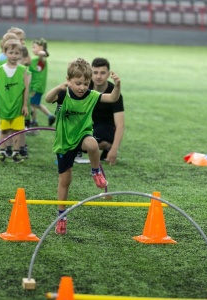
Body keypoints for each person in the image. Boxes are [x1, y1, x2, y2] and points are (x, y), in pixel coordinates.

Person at [45, 58, 121, 234]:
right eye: (78, 83)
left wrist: (117, 85)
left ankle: (96, 172)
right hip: (65, 141)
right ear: (68, 80)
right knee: (65, 180)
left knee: (92, 144)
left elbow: (112, 98)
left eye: (86, 84)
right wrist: (58, 88)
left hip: (82, 135)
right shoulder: (64, 94)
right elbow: (48, 98)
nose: (82, 87)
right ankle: (61, 216)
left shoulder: (91, 95)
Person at [0, 39, 30, 163]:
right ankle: (2, 152)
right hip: (3, 106)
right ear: (5, 52)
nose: (14, 56)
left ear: (21, 55)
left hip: (17, 106)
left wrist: (25, 105)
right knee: (3, 130)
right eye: (11, 52)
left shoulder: (23, 70)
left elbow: (26, 89)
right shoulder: (0, 70)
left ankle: (16, 153)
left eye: (17, 53)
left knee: (17, 130)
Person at [91, 57, 124, 165]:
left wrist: (114, 149)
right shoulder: (84, 87)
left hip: (107, 127)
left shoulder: (115, 92)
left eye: (102, 73)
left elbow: (120, 125)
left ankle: (108, 146)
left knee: (94, 141)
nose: (98, 76)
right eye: (95, 72)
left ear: (109, 74)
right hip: (89, 124)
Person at [28, 38, 55, 129]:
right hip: (34, 86)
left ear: (41, 47)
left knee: (31, 104)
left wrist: (43, 52)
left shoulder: (41, 59)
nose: (32, 49)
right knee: (36, 104)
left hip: (36, 87)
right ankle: (50, 116)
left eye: (34, 47)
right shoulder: (34, 59)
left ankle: (34, 121)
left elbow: (43, 54)